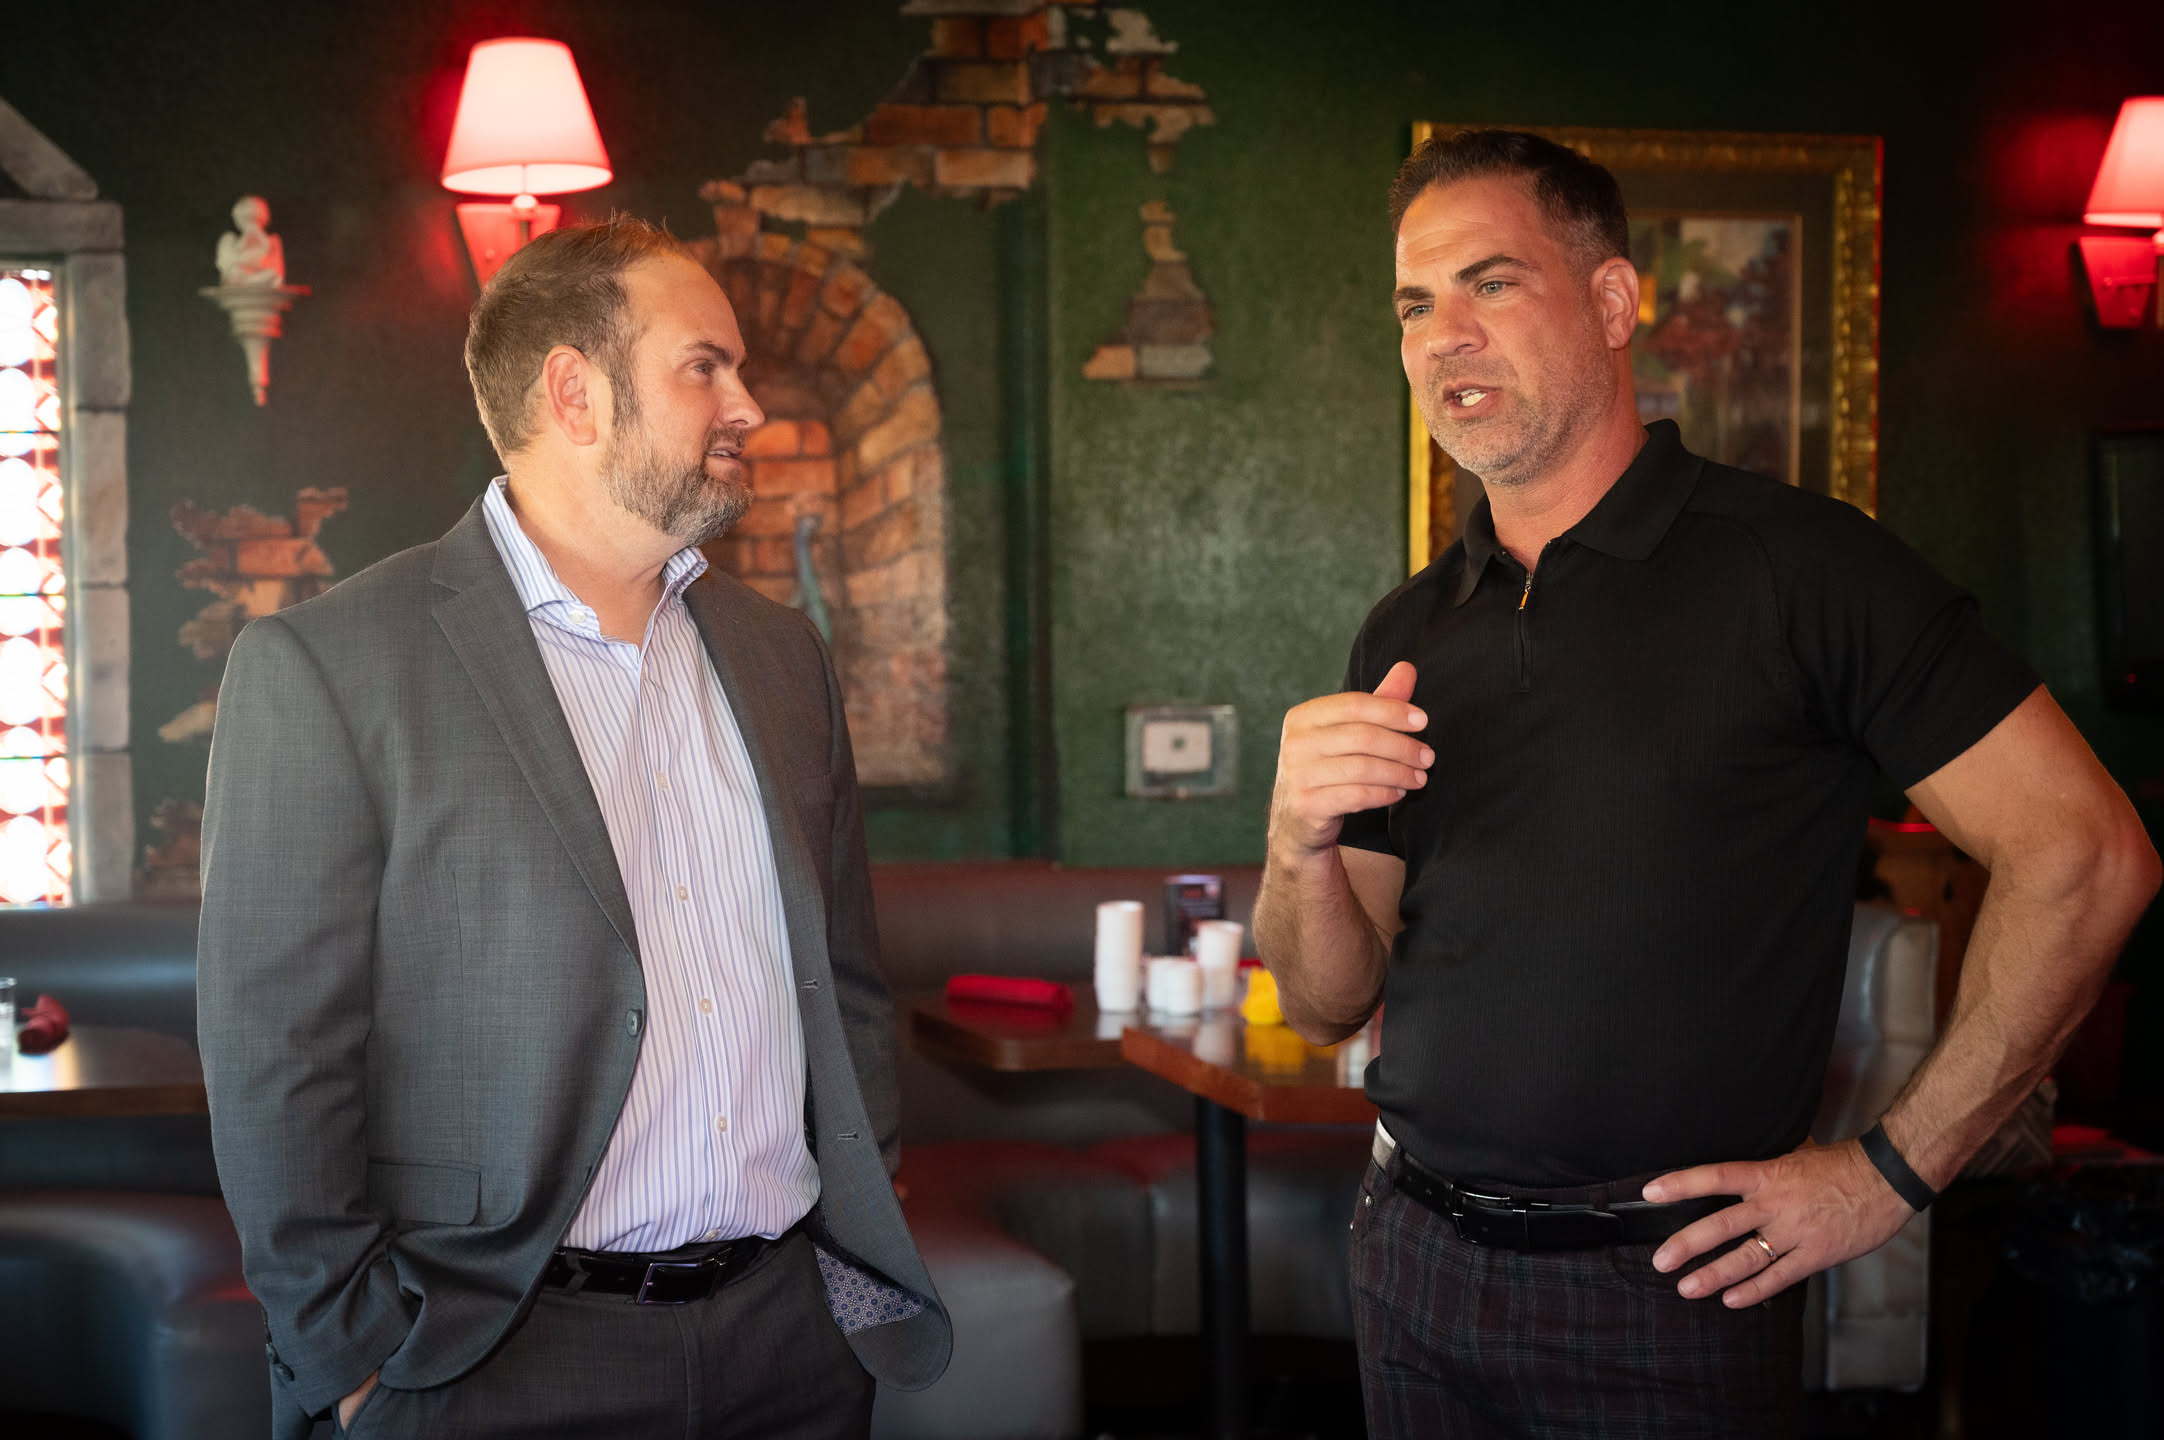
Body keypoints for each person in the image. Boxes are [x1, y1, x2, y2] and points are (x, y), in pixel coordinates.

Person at [1253, 130, 2160, 1439]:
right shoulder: (1407, 631)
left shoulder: (1803, 569)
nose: (1444, 334)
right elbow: (1328, 1002)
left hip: (1667, 1291)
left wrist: (1888, 1175)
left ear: (1614, 302)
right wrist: (1294, 846)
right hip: (1409, 1259)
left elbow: (2088, 852)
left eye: (1490, 283)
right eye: (1413, 304)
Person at [199, 216, 949, 1440]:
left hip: (792, 1345)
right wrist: (349, 1357)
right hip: (489, 1355)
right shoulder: (328, 667)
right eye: (705, 366)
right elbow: (276, 1053)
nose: (748, 405)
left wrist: (855, 1218)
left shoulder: (782, 658)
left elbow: (846, 978)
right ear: (575, 393)